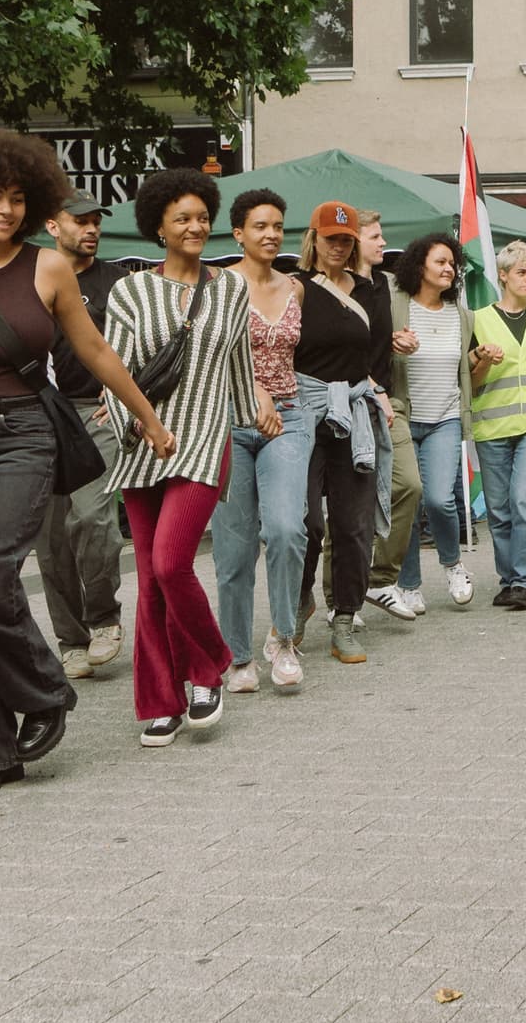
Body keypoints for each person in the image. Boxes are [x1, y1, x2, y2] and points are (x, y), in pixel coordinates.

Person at [0, 125, 172, 794]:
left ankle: (45, 690)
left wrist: (147, 415)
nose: (6, 210)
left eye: (17, 198)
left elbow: (99, 351)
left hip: (22, 436)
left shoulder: (47, 267)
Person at [97, 167, 254, 745]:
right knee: (151, 582)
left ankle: (209, 665)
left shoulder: (231, 287)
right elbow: (112, 370)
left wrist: (254, 414)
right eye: (181, 218)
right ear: (158, 227)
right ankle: (160, 701)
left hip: (206, 443)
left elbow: (237, 364)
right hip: (143, 450)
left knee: (170, 564)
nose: (195, 226)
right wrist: (138, 426)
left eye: (201, 216)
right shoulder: (131, 290)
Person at [203, 191, 311, 687]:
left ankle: (283, 638)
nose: (271, 234)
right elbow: (206, 358)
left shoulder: (295, 287)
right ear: (238, 234)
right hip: (228, 418)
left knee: (288, 529)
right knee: (233, 547)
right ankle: (237, 655)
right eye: (260, 226)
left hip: (287, 417)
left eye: (278, 225)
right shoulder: (218, 285)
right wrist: (253, 391)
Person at [287, 201, 396, 654]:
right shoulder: (295, 288)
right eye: (330, 238)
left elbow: (377, 354)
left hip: (354, 411)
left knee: (353, 525)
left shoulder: (371, 290)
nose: (338, 246)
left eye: (346, 239)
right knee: (304, 520)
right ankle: (295, 602)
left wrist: (376, 391)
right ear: (314, 238)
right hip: (304, 410)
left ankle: (345, 617)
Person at [36, 197, 135, 669]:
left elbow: (144, 343)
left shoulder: (119, 282)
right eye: (82, 221)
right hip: (40, 414)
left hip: (97, 413)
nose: (92, 229)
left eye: (96, 221)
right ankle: (70, 640)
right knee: (52, 536)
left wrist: (122, 395)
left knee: (94, 518)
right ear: (53, 225)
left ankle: (104, 617)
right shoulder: (31, 276)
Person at [463, 237, 526, 610]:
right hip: (492, 424)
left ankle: (523, 581)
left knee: (524, 501)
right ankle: (507, 580)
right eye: (521, 272)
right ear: (503, 276)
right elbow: (471, 383)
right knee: (499, 509)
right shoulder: (479, 319)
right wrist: (485, 360)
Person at [389, 235, 477, 606]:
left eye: (452, 264)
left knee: (441, 499)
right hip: (403, 417)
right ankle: (409, 584)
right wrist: (391, 341)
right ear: (418, 265)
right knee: (410, 499)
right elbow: (373, 348)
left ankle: (453, 564)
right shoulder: (396, 306)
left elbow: (465, 370)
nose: (448, 269)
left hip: (445, 418)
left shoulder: (462, 314)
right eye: (440, 261)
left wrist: (481, 358)